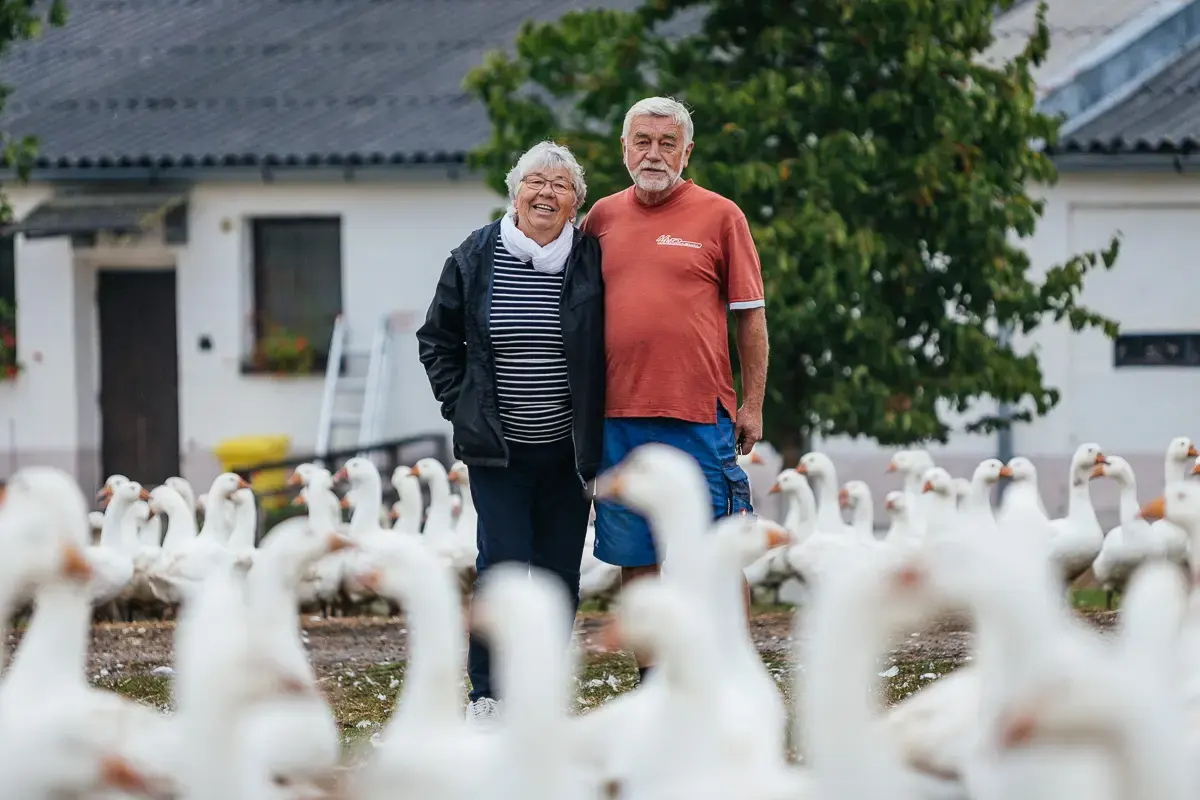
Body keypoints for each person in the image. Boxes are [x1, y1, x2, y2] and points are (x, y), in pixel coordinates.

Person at [580, 96, 769, 684]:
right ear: (624, 148)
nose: (654, 153)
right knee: (636, 555)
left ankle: (732, 675)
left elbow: (751, 317)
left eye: (668, 143)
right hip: (617, 419)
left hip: (698, 415)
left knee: (713, 553)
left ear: (687, 151)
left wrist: (752, 403)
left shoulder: (720, 216)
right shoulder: (601, 219)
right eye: (643, 141)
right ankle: (654, 685)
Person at [416, 141, 606, 723]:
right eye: (534, 182)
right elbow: (437, 340)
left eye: (560, 185)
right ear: (514, 191)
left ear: (576, 202)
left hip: (568, 452)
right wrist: (461, 406)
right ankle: (489, 695)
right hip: (498, 452)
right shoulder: (476, 256)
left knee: (557, 573)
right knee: (502, 566)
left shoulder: (591, 260)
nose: (546, 193)